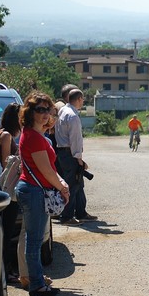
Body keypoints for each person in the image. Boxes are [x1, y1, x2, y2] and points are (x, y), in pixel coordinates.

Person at [15, 91, 69, 296]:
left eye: (48, 109)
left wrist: (60, 182)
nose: (46, 114)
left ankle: (36, 279)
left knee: (35, 239)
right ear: (30, 112)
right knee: (35, 240)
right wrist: (63, 188)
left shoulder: (35, 135)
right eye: (40, 110)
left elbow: (49, 169)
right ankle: (36, 284)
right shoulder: (34, 138)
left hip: (34, 190)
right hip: (33, 191)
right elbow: (46, 170)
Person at [55, 89, 97, 225]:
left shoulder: (63, 111)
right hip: (70, 154)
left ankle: (81, 212)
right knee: (72, 185)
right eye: (82, 99)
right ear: (79, 99)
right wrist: (79, 158)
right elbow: (75, 139)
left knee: (78, 184)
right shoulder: (73, 116)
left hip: (63, 152)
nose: (83, 102)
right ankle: (67, 216)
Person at [0, 102, 22, 284]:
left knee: (7, 230)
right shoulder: (5, 136)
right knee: (7, 231)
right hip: (8, 188)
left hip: (6, 186)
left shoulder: (1, 133)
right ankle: (6, 269)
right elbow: (7, 164)